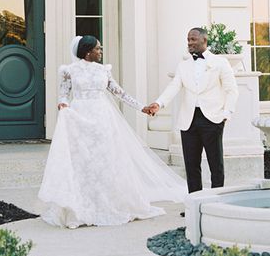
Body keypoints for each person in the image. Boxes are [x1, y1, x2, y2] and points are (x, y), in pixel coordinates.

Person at [38, 35, 186, 228]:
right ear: (87, 51)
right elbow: (63, 93)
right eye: (98, 48)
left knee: (105, 161)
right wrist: (63, 104)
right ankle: (81, 208)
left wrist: (143, 107)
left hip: (102, 119)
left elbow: (120, 93)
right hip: (80, 119)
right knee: (83, 163)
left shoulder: (103, 71)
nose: (101, 51)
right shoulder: (69, 71)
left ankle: (108, 204)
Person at [144, 27, 239, 193]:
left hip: (213, 119)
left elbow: (232, 90)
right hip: (189, 120)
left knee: (215, 164)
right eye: (188, 39)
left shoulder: (220, 62)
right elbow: (174, 87)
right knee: (191, 165)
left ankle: (216, 202)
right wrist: (159, 104)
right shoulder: (183, 65)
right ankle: (194, 203)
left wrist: (226, 114)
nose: (190, 43)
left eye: (193, 39)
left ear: (204, 40)